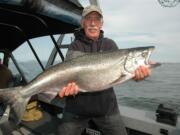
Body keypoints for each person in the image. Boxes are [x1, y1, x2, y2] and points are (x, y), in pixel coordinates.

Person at [57, 5, 151, 135]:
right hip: (76, 109)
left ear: (101, 24)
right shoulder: (75, 46)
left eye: (97, 19)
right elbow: (68, 75)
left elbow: (122, 73)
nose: (93, 23)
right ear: (82, 22)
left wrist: (136, 76)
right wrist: (67, 89)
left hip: (106, 109)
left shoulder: (110, 44)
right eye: (88, 18)